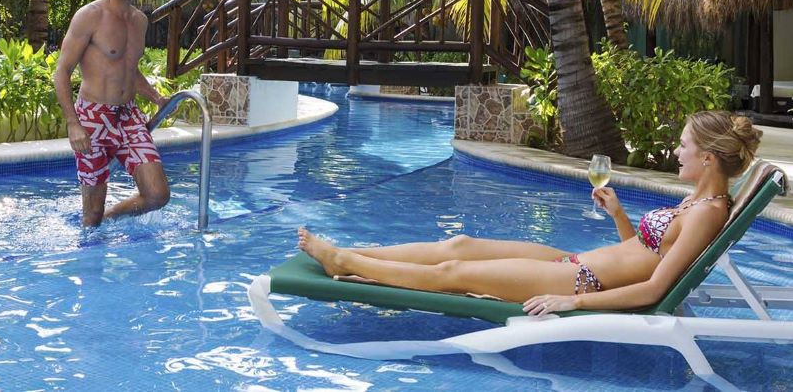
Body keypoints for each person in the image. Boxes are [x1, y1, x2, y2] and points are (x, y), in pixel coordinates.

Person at [298, 111, 762, 315]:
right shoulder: (697, 202)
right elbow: (642, 254)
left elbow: (654, 288)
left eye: (684, 145)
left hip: (582, 283)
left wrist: (572, 302)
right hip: (575, 262)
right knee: (463, 245)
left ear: (708, 157)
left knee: (455, 271)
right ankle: (356, 252)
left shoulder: (706, 213)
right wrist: (620, 214)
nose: (677, 152)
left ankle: (345, 262)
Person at [54, 0, 171, 227]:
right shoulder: (90, 16)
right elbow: (61, 72)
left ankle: (111, 217)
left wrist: (155, 96)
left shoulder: (139, 20)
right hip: (93, 118)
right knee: (91, 215)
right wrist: (73, 123)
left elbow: (129, 69)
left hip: (128, 117)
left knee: (157, 195)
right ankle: (93, 239)